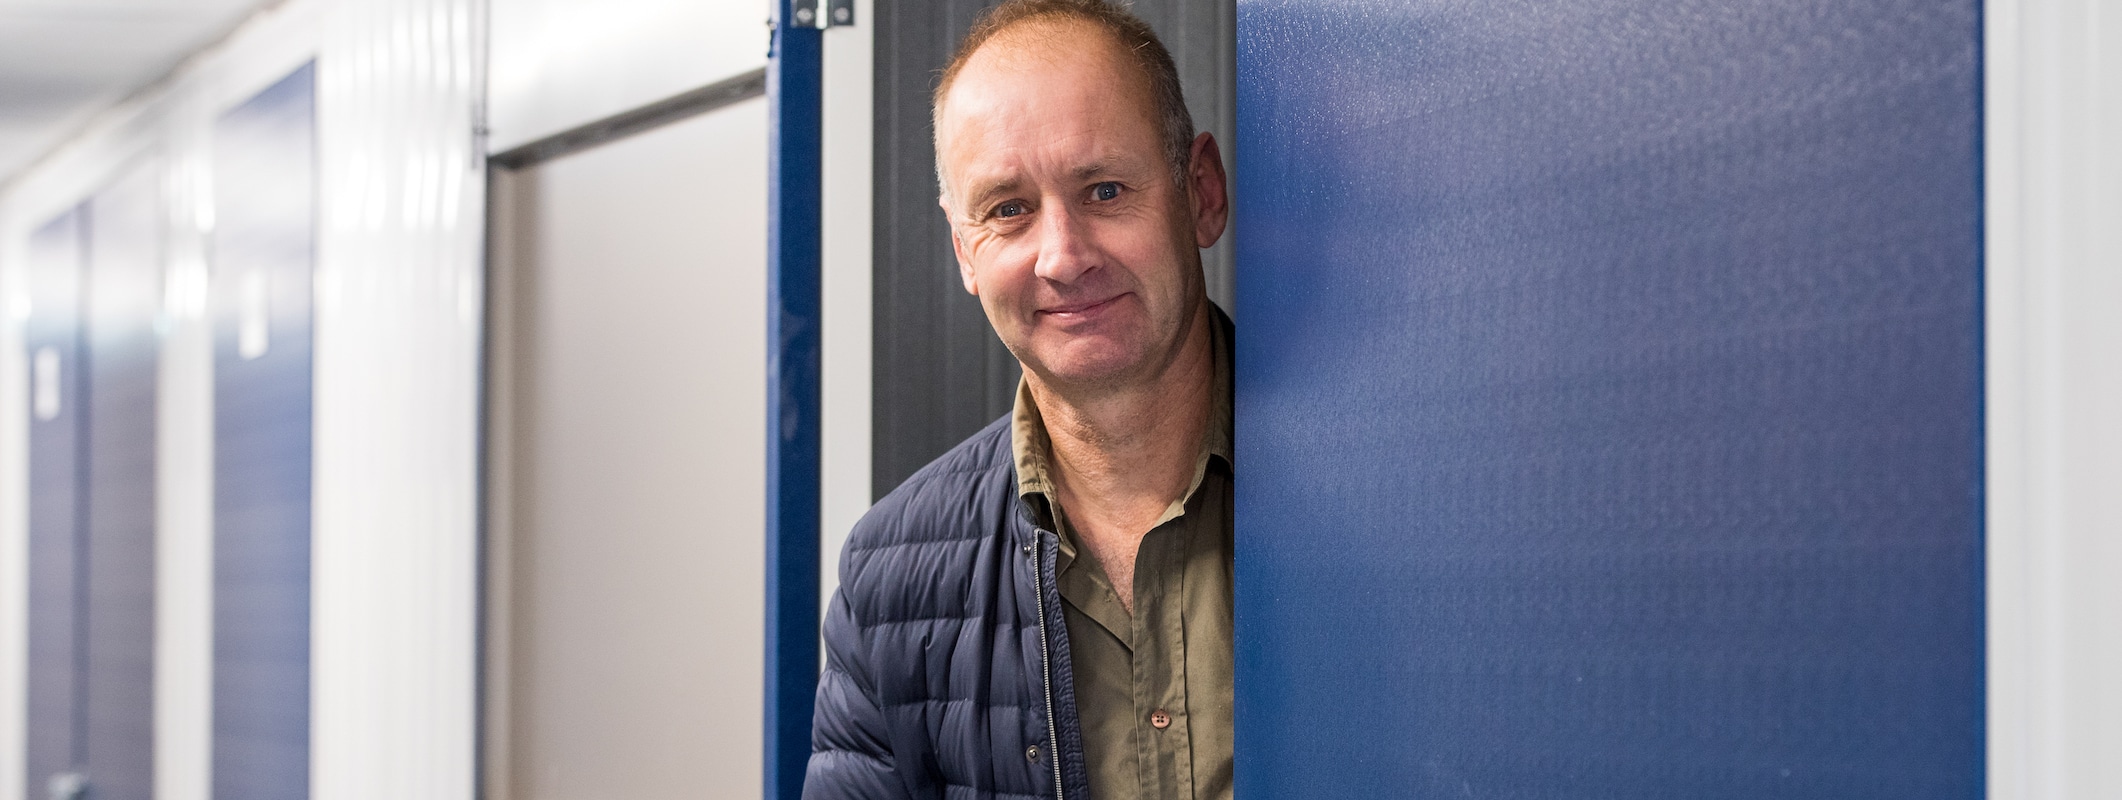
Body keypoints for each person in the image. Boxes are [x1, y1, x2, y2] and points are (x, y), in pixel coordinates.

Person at [804, 0, 1233, 798]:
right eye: (1008, 210)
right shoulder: (887, 582)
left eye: (1104, 189)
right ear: (965, 248)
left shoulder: (1388, 498)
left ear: (1200, 191)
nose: (1063, 257)